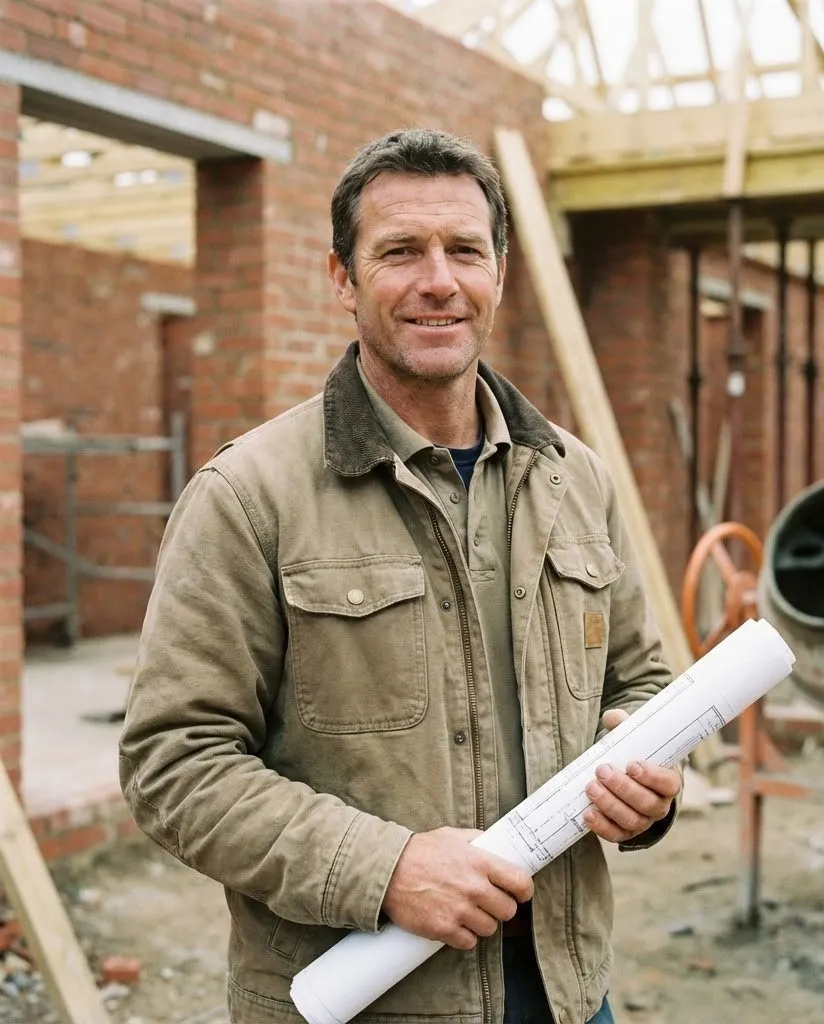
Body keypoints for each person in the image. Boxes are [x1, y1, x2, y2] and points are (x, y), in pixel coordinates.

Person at [119, 127, 682, 1024]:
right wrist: (384, 870)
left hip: (571, 995)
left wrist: (648, 779)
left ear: (500, 272)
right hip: (364, 1002)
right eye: (400, 252)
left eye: (465, 250)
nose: (439, 281)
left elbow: (641, 682)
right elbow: (174, 763)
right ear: (342, 278)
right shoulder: (249, 496)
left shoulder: (575, 478)